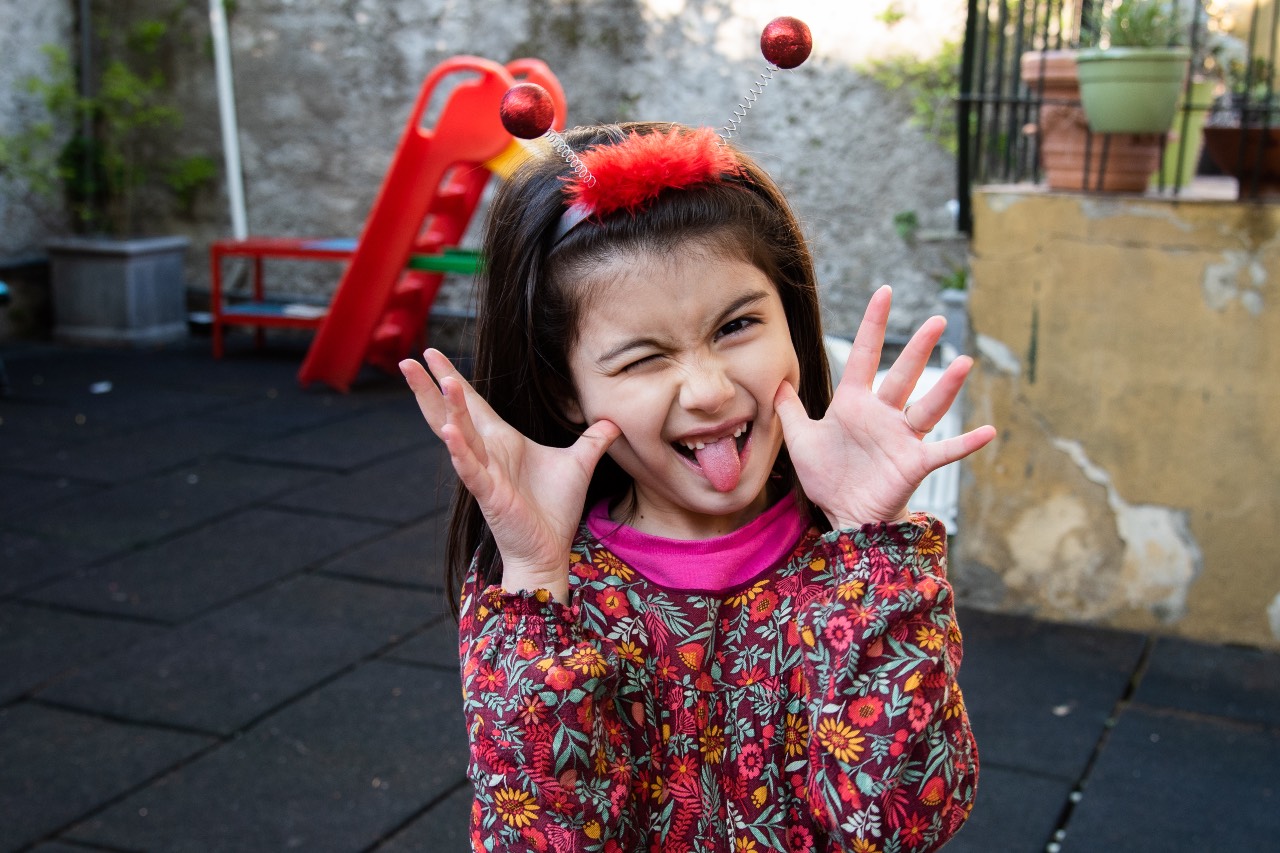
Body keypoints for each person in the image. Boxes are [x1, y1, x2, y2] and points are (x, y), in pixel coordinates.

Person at [401, 121, 996, 852]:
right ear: (565, 392)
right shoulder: (554, 598)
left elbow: (904, 821)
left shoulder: (850, 567)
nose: (709, 390)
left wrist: (875, 550)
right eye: (643, 358)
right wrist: (533, 580)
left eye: (737, 324)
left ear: (792, 314)